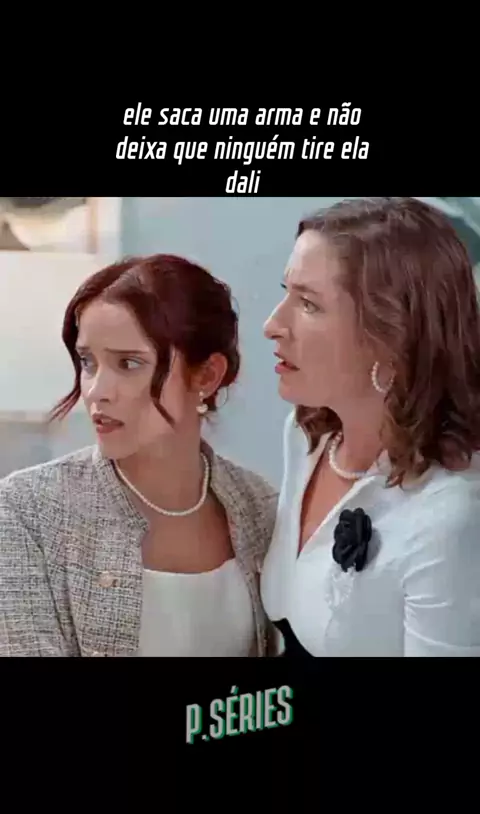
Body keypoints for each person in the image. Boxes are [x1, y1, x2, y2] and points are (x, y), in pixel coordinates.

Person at [0, 254, 277, 657]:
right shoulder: (27, 510)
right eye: (88, 362)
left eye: (128, 363)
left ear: (207, 375)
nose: (96, 391)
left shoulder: (262, 509)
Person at [261, 196, 480, 657]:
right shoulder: (305, 435)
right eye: (286, 292)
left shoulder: (450, 518)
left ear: (392, 338)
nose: (272, 325)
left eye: (308, 304)